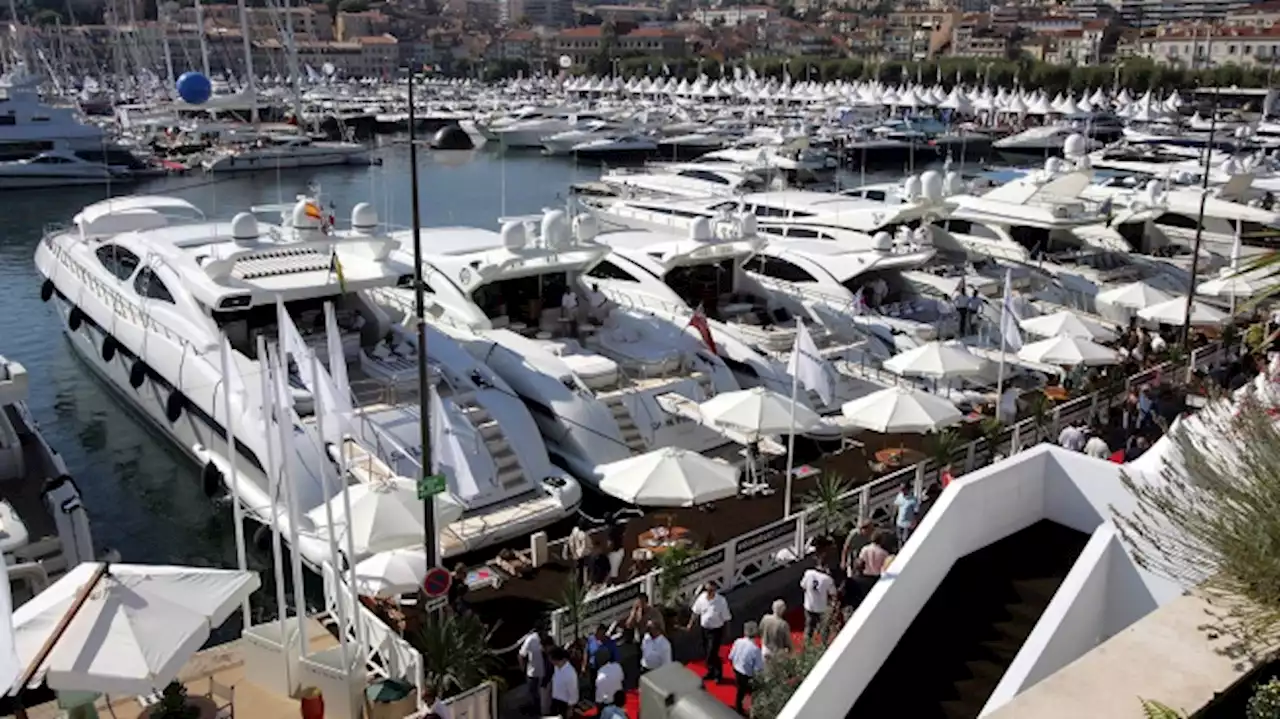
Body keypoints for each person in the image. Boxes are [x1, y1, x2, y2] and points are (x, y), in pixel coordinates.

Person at [686, 582, 732, 682]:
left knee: (712, 653)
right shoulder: (702, 598)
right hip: (704, 630)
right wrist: (690, 624)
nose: (709, 592)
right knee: (707, 652)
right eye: (707, 590)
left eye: (711, 590)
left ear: (715, 590)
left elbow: (726, 618)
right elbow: (695, 612)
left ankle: (718, 674)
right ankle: (711, 672)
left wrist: (727, 632)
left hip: (716, 631)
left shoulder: (721, 601)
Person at [728, 622, 765, 716]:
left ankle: (738, 707)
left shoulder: (738, 641)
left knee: (740, 692)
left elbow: (731, 656)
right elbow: (758, 668)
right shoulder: (755, 649)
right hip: (747, 675)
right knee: (753, 692)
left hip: (737, 670)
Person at [800, 561, 836, 640]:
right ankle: (824, 643)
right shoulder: (828, 579)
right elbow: (833, 593)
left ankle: (807, 643)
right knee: (823, 627)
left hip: (809, 605)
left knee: (809, 626)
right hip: (821, 607)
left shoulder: (809, 573)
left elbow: (802, 586)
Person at [517, 625, 545, 716]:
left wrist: (523, 668)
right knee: (536, 693)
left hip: (538, 672)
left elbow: (521, 655)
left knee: (536, 694)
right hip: (538, 672)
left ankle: (537, 711)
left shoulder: (533, 639)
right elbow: (521, 655)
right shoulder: (534, 639)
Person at [759, 599, 793, 664]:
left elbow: (760, 630)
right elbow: (787, 641)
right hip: (777, 652)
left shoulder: (765, 618)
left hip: (765, 648)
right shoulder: (783, 624)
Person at [548, 647, 578, 718]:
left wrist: (570, 709)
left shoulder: (570, 673)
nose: (549, 661)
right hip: (555, 700)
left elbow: (573, 692)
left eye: (550, 659)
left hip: (564, 704)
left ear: (555, 659)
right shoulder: (556, 667)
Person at [893, 482, 919, 546]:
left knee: (906, 541)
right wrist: (893, 517)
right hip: (899, 523)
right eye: (901, 488)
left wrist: (914, 523)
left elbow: (916, 512)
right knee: (899, 540)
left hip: (907, 524)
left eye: (903, 488)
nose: (901, 490)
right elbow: (896, 506)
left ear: (908, 489)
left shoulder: (913, 500)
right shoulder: (899, 496)